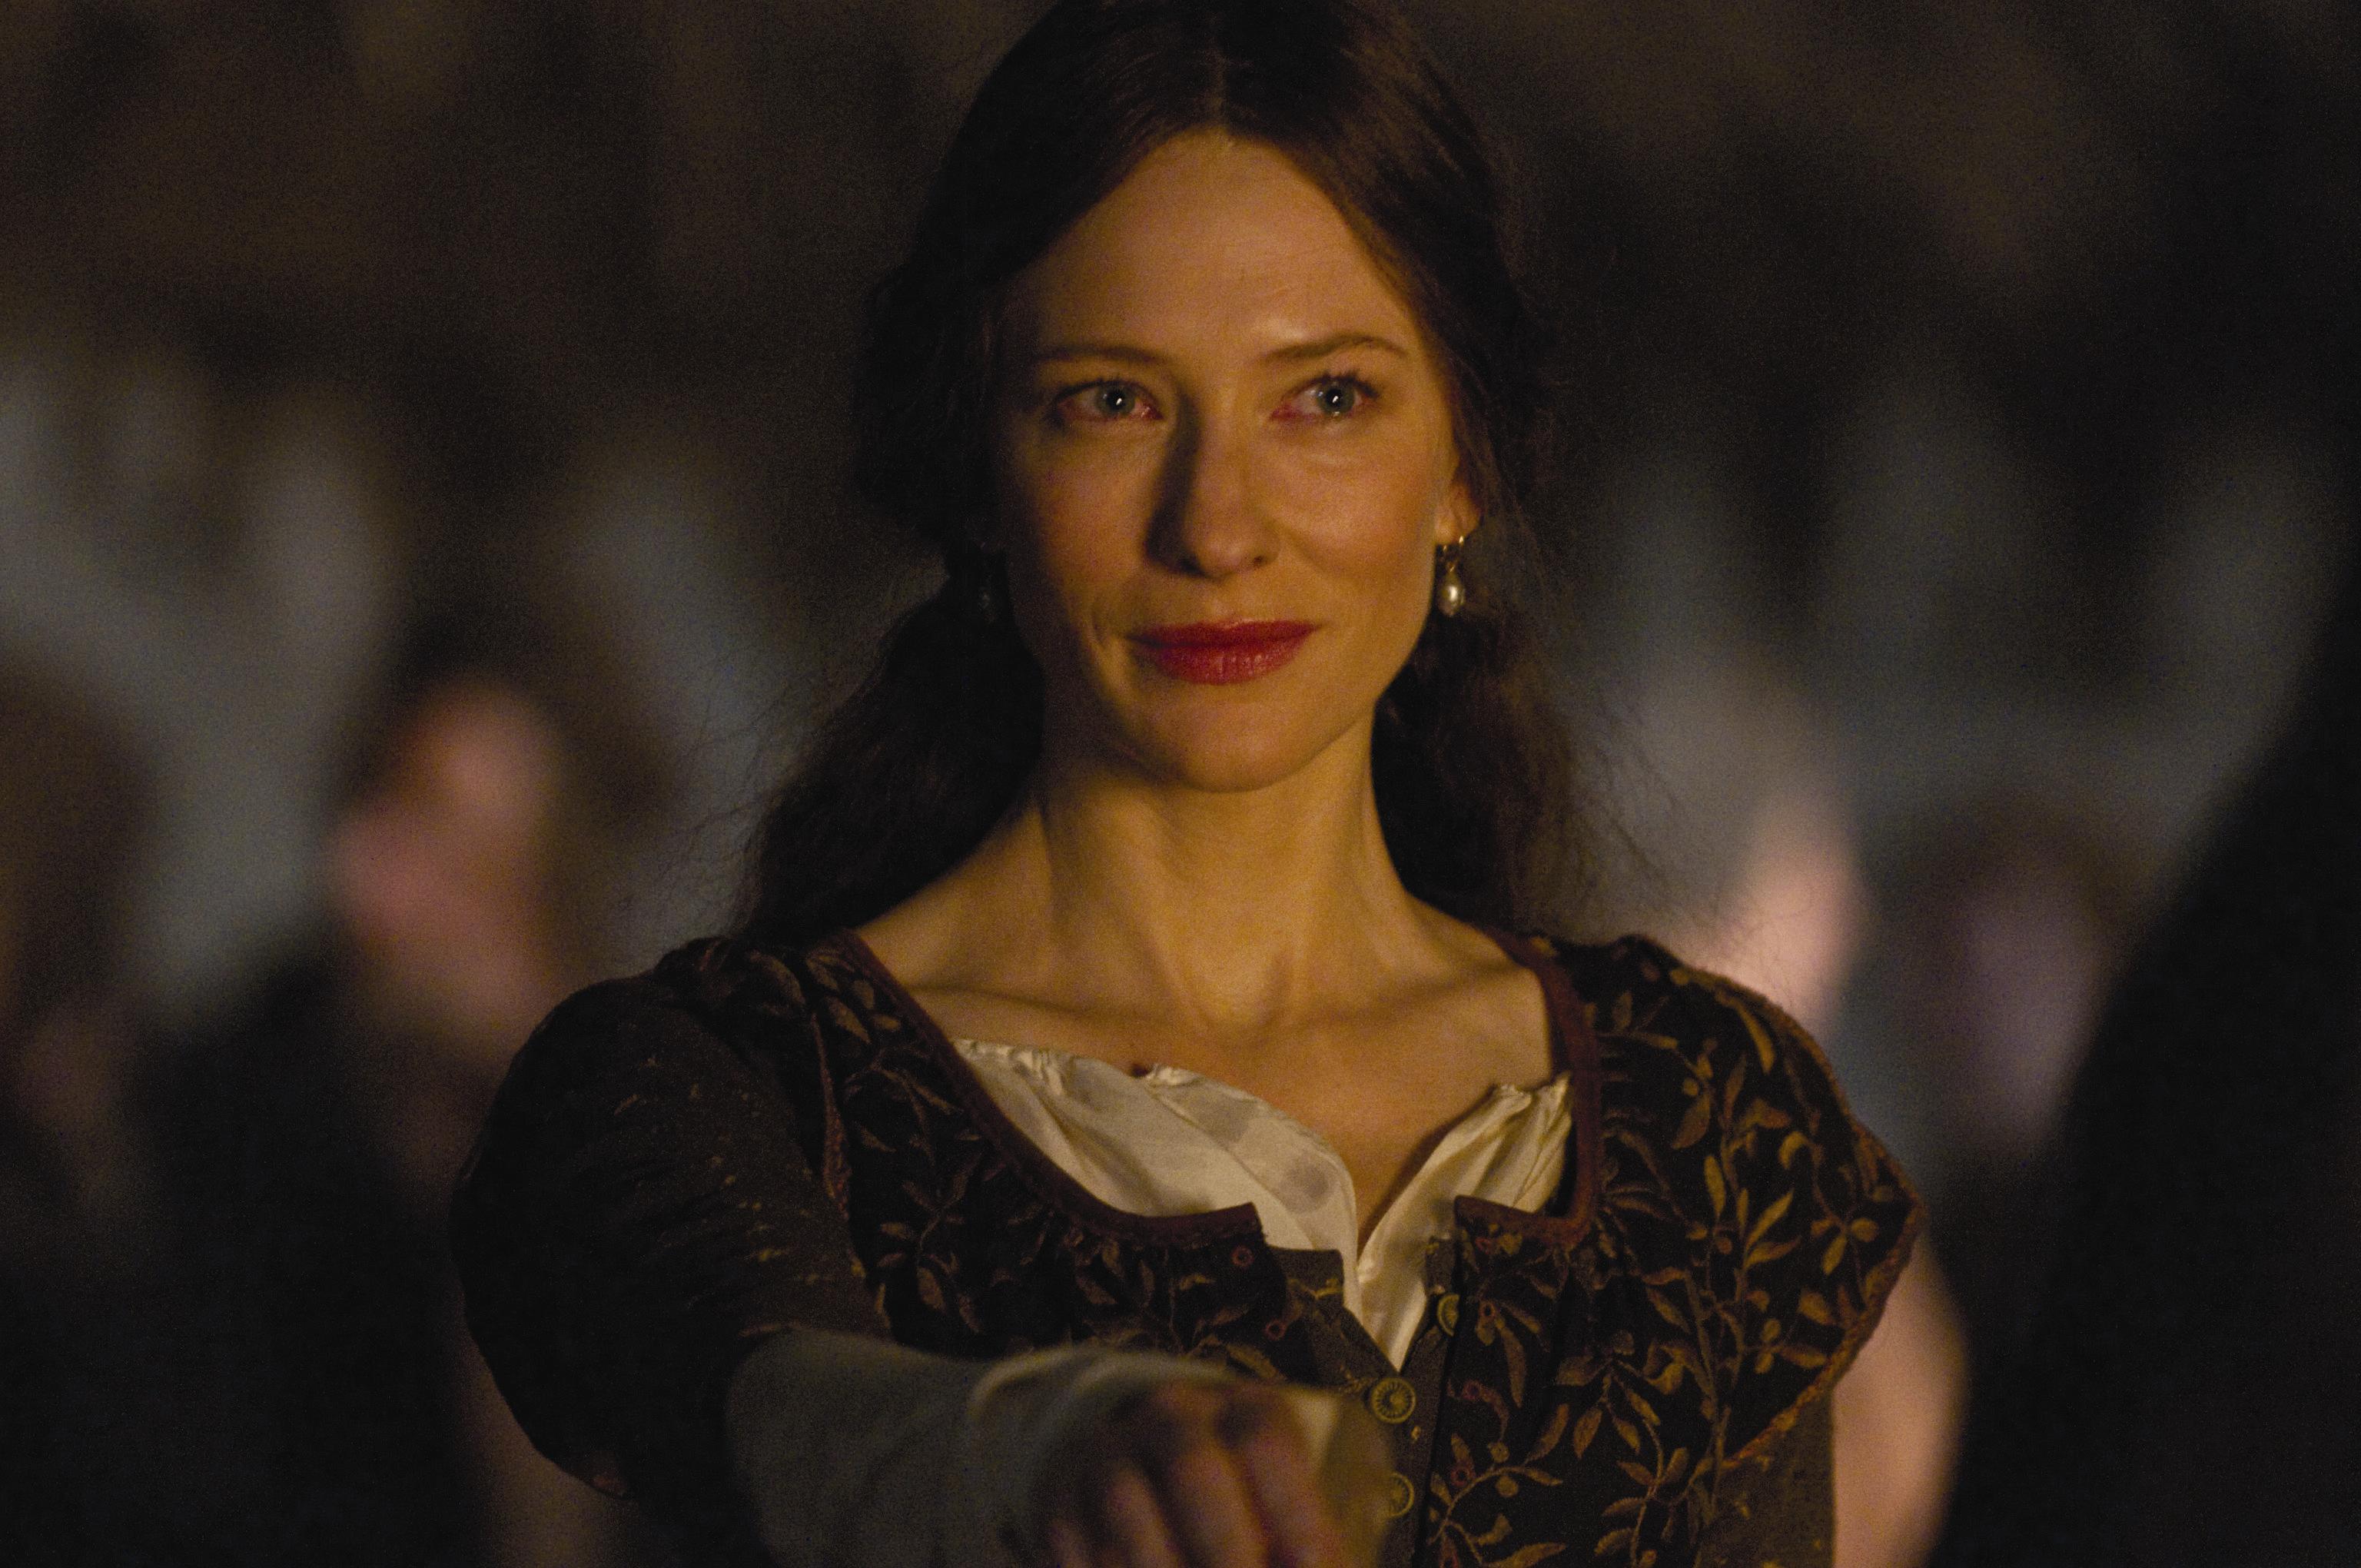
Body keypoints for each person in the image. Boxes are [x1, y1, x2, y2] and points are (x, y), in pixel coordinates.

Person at [451, 4, 1919, 1566]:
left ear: (1463, 467)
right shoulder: (736, 1089)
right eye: (1112, 401)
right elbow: (788, 1409)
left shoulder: (1702, 1116)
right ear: (981, 465)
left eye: (1327, 399)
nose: (1216, 528)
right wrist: (1030, 1440)